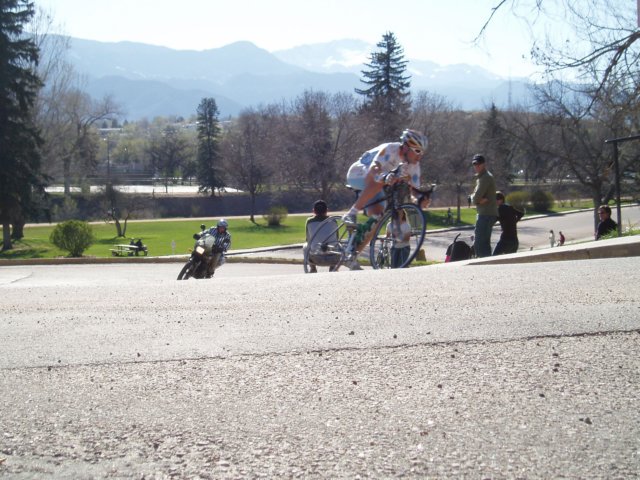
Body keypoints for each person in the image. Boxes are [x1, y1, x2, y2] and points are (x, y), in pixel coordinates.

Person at [342, 129, 430, 269]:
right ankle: (351, 213)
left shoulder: (413, 165)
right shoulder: (391, 149)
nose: (420, 156)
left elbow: (414, 190)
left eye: (422, 152)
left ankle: (351, 255)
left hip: (376, 183)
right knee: (379, 181)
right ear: (406, 147)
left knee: (377, 219)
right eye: (417, 151)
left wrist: (421, 198)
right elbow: (374, 169)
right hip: (358, 173)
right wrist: (384, 176)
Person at [468, 154, 498, 258]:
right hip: (486, 213)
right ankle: (488, 265)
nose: (476, 166)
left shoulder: (485, 178)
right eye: (474, 164)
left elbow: (475, 198)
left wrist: (472, 198)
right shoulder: (482, 177)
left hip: (486, 214)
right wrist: (477, 200)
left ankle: (485, 267)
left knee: (479, 244)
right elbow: (477, 199)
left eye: (478, 164)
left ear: (484, 164)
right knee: (484, 244)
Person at [303, 200, 332, 273]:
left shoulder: (309, 221)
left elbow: (308, 239)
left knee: (305, 246)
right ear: (327, 210)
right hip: (332, 256)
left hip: (315, 256)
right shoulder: (333, 221)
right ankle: (333, 267)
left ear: (314, 211)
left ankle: (312, 267)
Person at [493, 191, 524, 255]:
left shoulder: (500, 209)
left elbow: (493, 221)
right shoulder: (509, 207)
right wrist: (514, 222)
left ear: (501, 200)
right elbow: (521, 214)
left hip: (505, 240)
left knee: (494, 257)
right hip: (514, 241)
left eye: (495, 200)